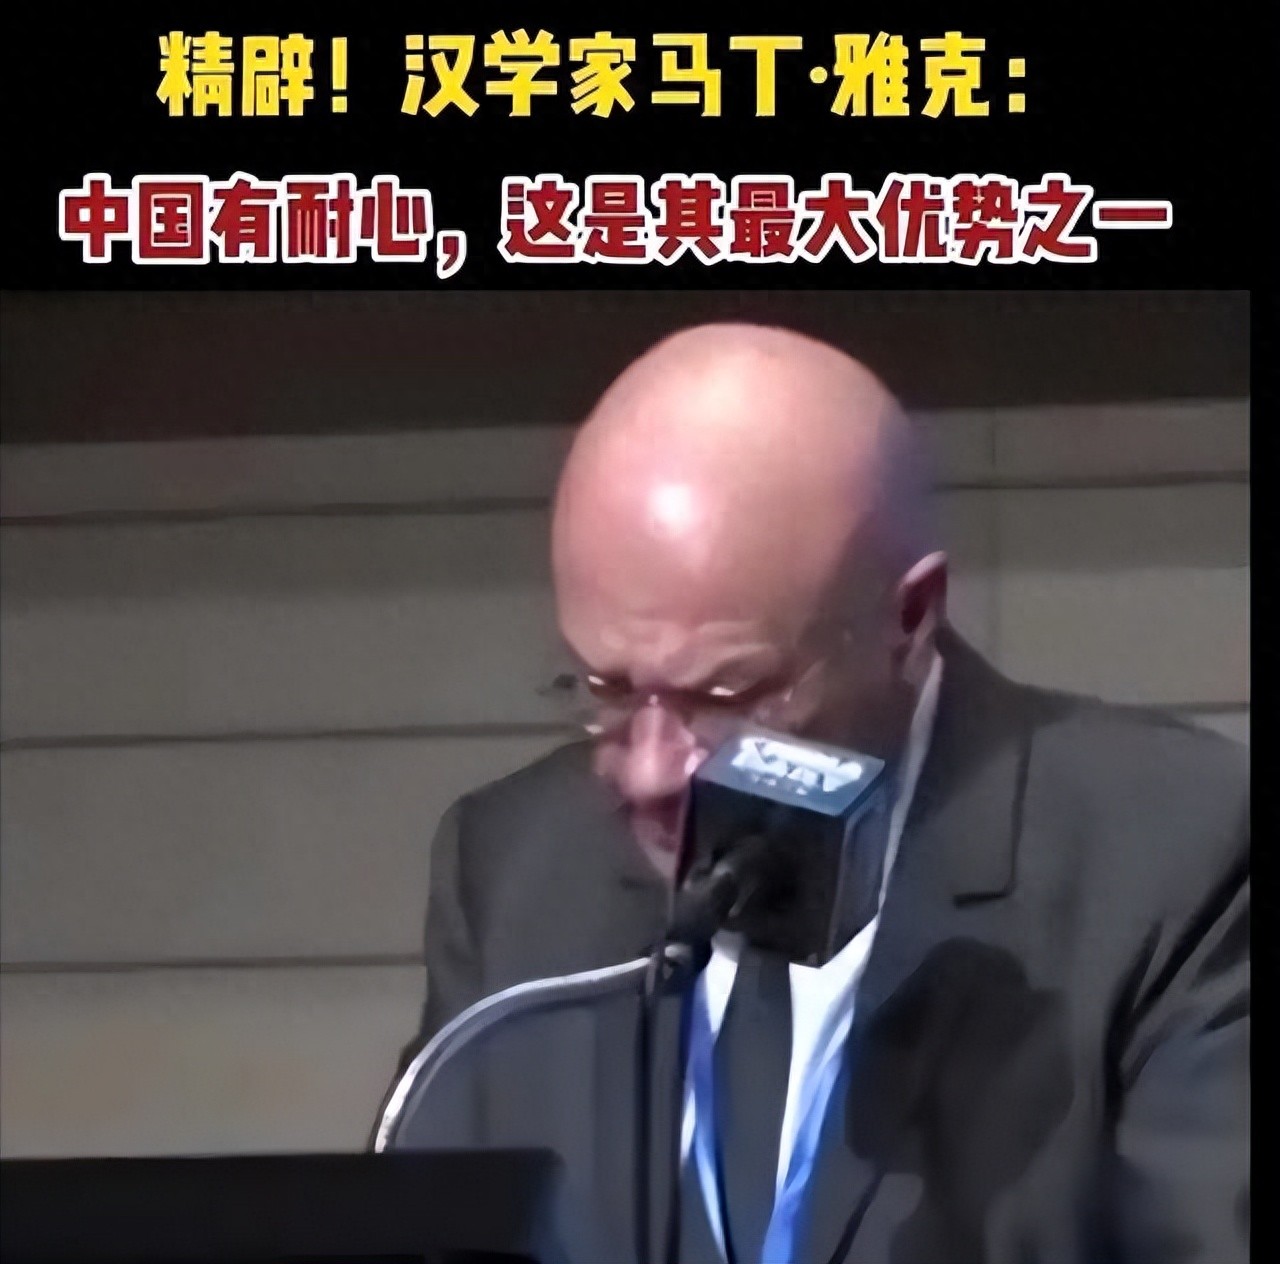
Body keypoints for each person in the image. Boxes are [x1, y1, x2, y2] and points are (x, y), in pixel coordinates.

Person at [384, 323, 1249, 1263]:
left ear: (908, 619)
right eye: (609, 689)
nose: (651, 771)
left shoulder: (1173, 855)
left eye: (727, 698)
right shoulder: (511, 870)